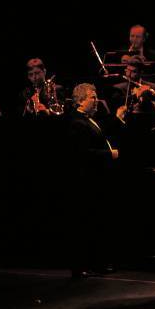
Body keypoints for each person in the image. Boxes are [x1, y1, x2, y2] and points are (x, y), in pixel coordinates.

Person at [66, 83, 119, 278]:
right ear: (80, 101)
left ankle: (97, 263)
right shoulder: (76, 122)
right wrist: (109, 154)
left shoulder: (89, 120)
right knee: (85, 223)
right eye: (92, 97)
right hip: (85, 182)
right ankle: (81, 266)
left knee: (96, 222)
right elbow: (82, 153)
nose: (96, 101)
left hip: (96, 180)